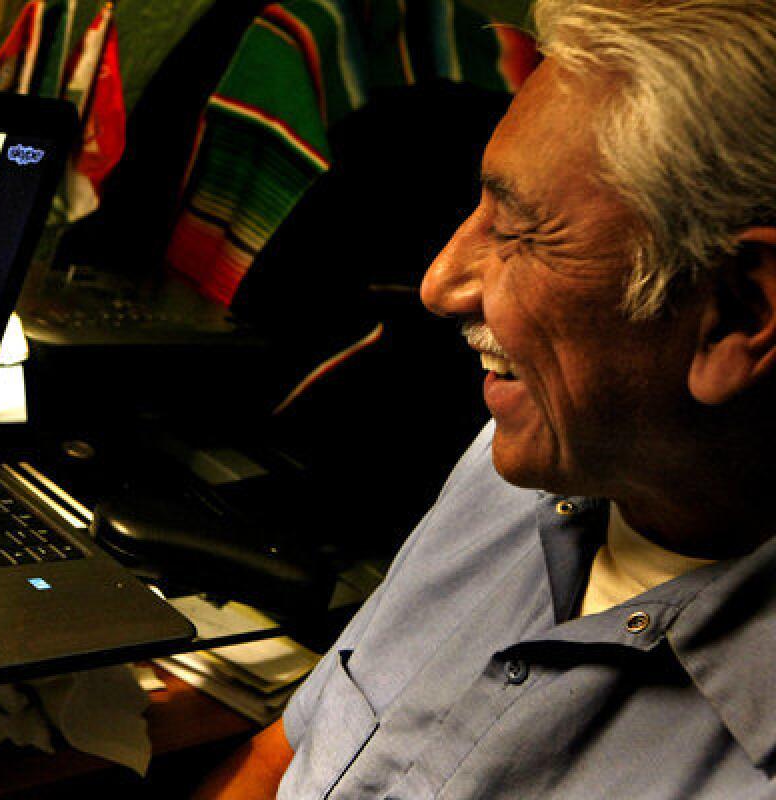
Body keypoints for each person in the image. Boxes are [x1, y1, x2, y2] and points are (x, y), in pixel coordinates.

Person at [196, 0, 776, 797]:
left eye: (521, 231)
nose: (439, 285)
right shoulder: (534, 454)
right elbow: (289, 754)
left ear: (740, 313)